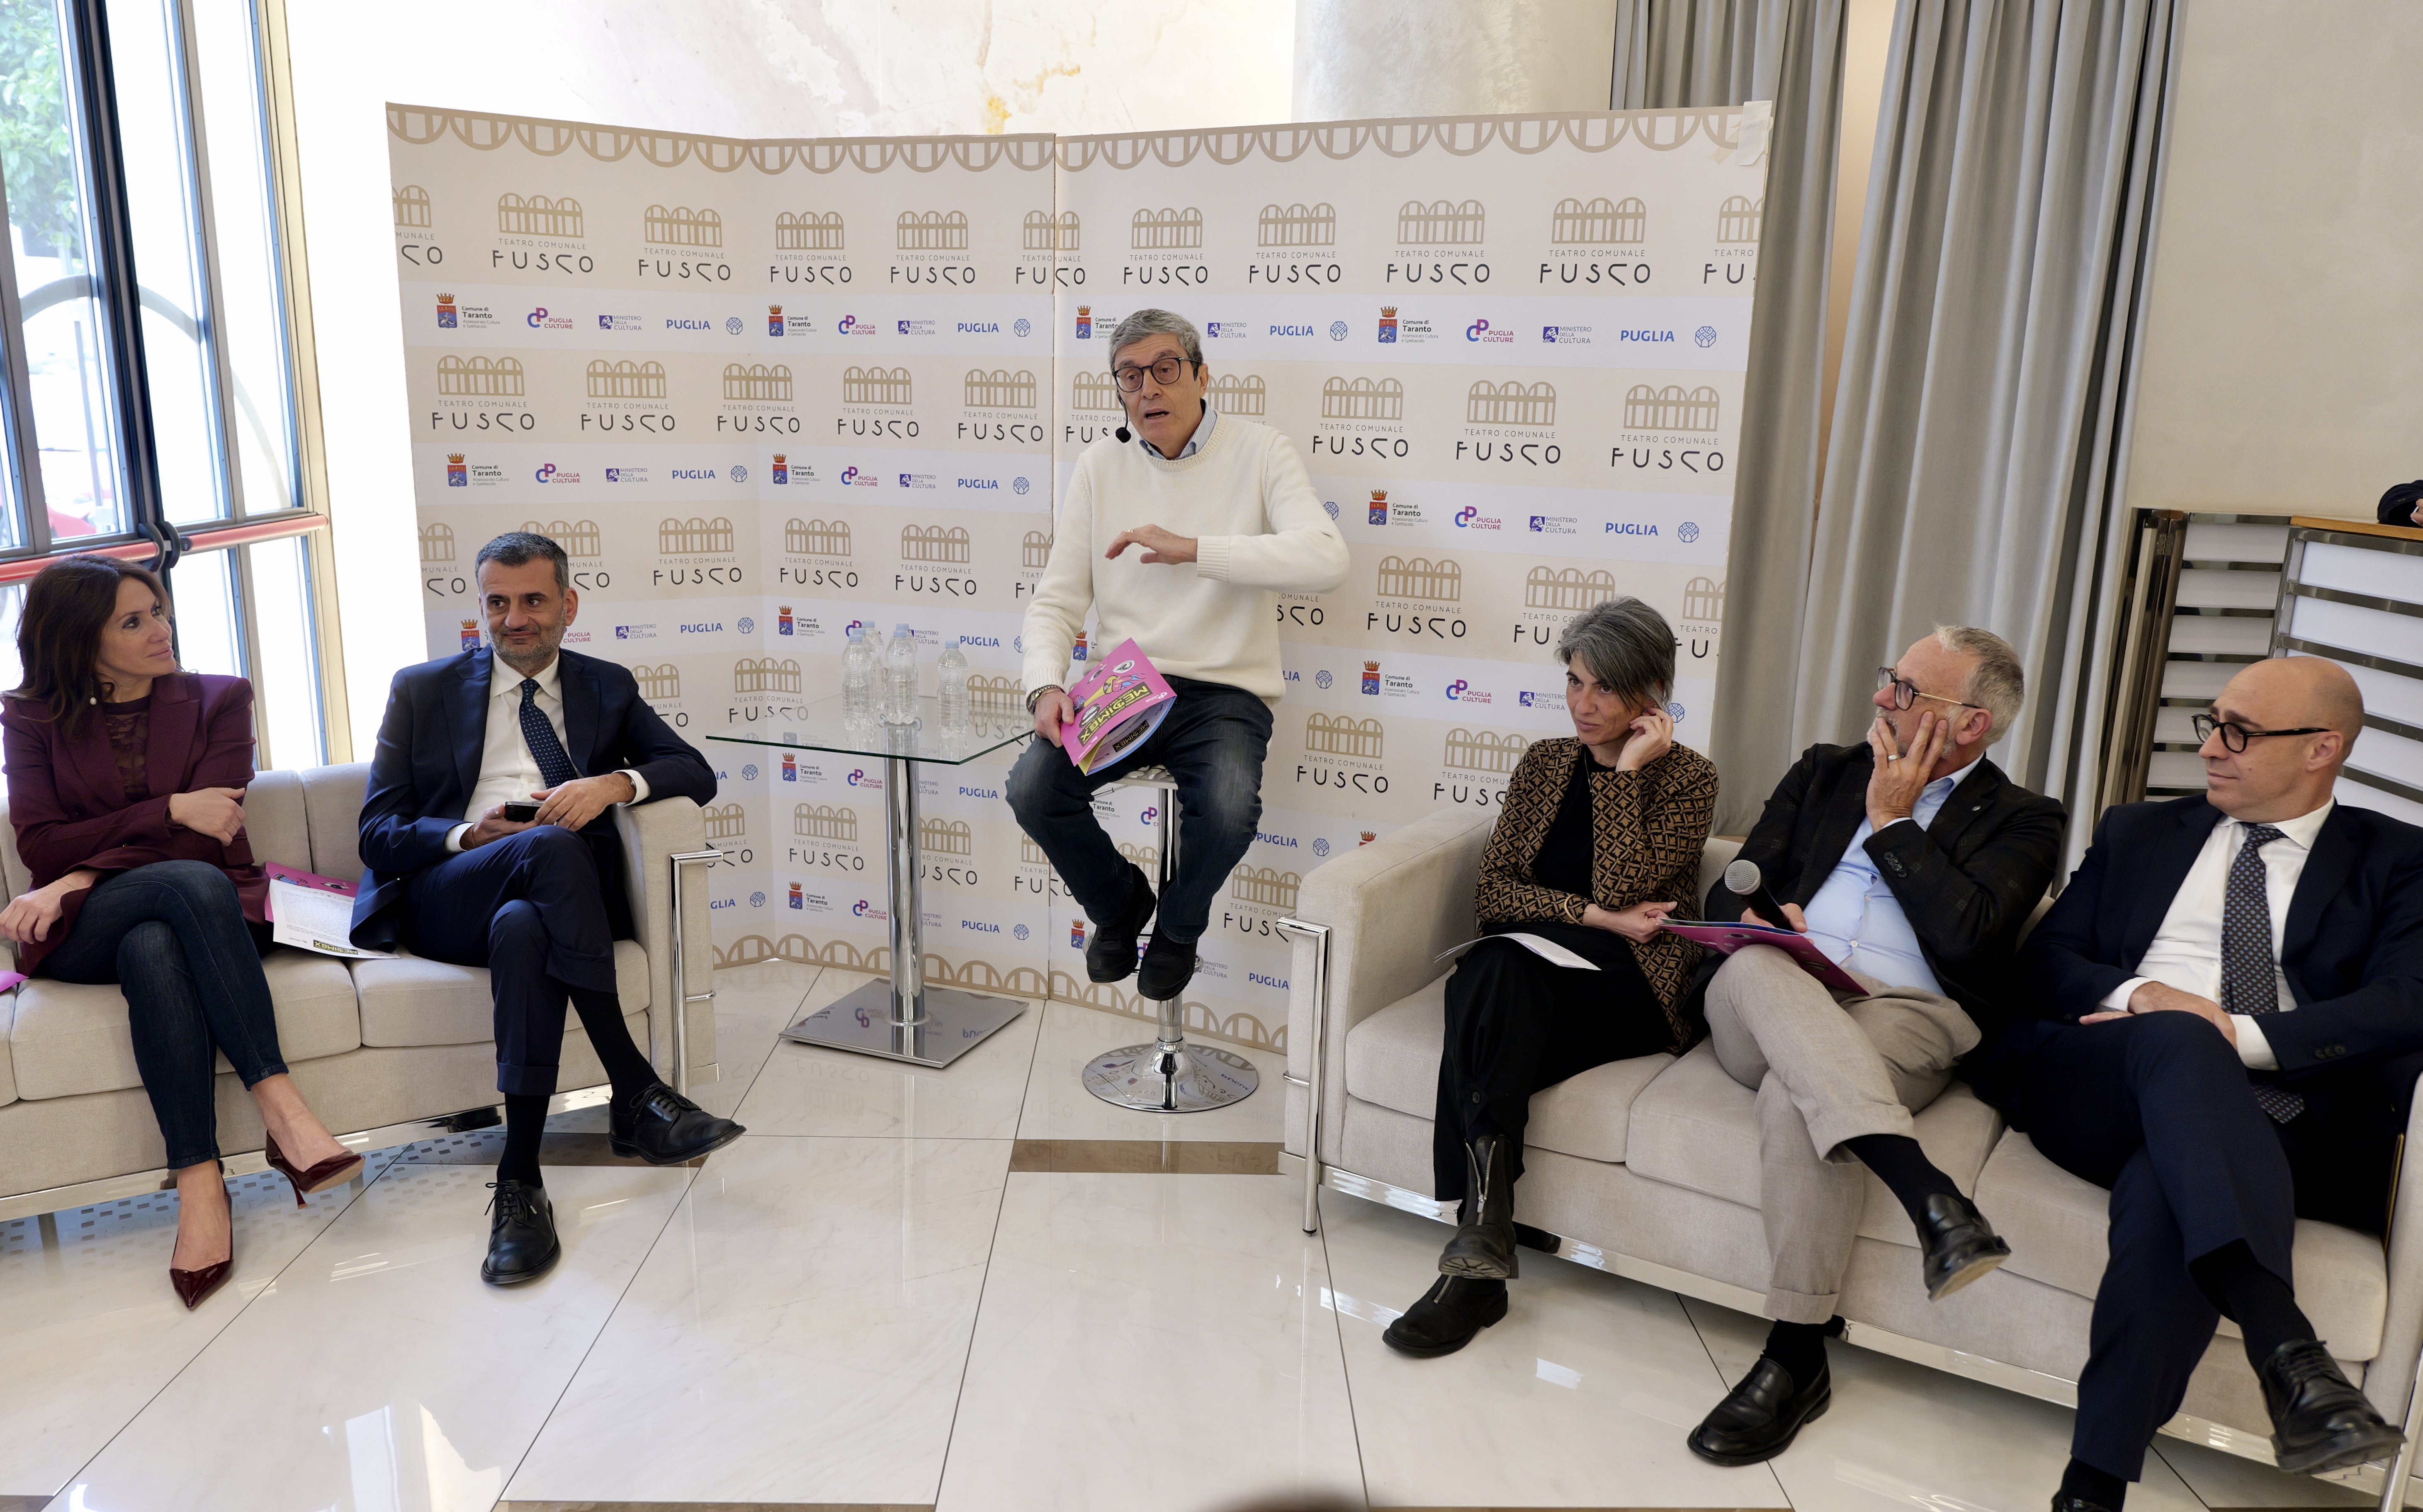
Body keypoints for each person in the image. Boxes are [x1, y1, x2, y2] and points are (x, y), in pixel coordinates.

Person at [1978, 656, 2418, 1512]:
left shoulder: (2399, 859)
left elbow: (2409, 1000)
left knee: (2166, 1190)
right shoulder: (2139, 830)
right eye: (2213, 723)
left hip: (2279, 1114)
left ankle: (2092, 1488)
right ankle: (2282, 1339)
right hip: (2103, 1079)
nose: (2212, 748)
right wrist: (2148, 999)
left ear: (2323, 748)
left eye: (2240, 733)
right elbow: (2046, 961)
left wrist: (2238, 1036)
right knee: (2178, 1037)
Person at [1684, 627, 2066, 1466]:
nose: (1880, 699)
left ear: (1971, 724)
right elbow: (1733, 885)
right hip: (1771, 988)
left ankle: (1794, 1354)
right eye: (1890, 679)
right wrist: (1755, 915)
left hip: (1906, 1012)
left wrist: (1894, 821)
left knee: (1798, 1094)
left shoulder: (2027, 819)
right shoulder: (1826, 770)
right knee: (1756, 964)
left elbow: (1968, 937)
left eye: (1906, 690)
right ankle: (1926, 1190)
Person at [352, 531, 740, 1286]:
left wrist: (612, 785)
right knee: (551, 848)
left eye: (533, 600)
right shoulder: (422, 690)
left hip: (555, 906)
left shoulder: (605, 686)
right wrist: (468, 834)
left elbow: (694, 771)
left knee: (525, 925)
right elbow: (377, 831)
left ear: (569, 605)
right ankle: (634, 1087)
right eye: (497, 602)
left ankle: (520, 1180)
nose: (514, 619)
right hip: (452, 890)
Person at [0, 555, 362, 1310]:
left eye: (159, 611)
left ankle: (200, 1185)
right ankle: (284, 1111)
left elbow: (211, 832)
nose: (161, 630)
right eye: (133, 622)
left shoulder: (222, 698)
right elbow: (40, 842)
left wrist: (78, 871)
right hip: (86, 927)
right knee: (182, 887)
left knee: (158, 939)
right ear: (80, 639)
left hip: (202, 908)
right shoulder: (30, 718)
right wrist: (161, 814)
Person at [1380, 599, 1719, 1358]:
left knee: (1485, 1014)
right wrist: (1596, 916)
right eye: (1574, 681)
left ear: (1653, 694)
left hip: (1632, 979)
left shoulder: (1690, 778)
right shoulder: (1544, 763)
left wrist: (1625, 775)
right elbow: (1494, 893)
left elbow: (1627, 878)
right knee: (1495, 966)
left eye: (1606, 687)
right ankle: (1482, 1245)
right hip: (1543, 961)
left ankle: (1479, 1257)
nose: (1583, 704)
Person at [1010, 308, 1348, 1001]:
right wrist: (1045, 684)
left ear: (1201, 375)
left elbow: (1326, 557)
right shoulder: (1099, 466)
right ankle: (1121, 905)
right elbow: (1055, 600)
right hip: (1127, 683)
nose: (1149, 389)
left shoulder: (1261, 450)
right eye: (1130, 376)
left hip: (1226, 691)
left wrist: (1194, 550)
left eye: (1165, 369)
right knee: (1033, 789)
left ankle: (1178, 926)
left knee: (1226, 809)